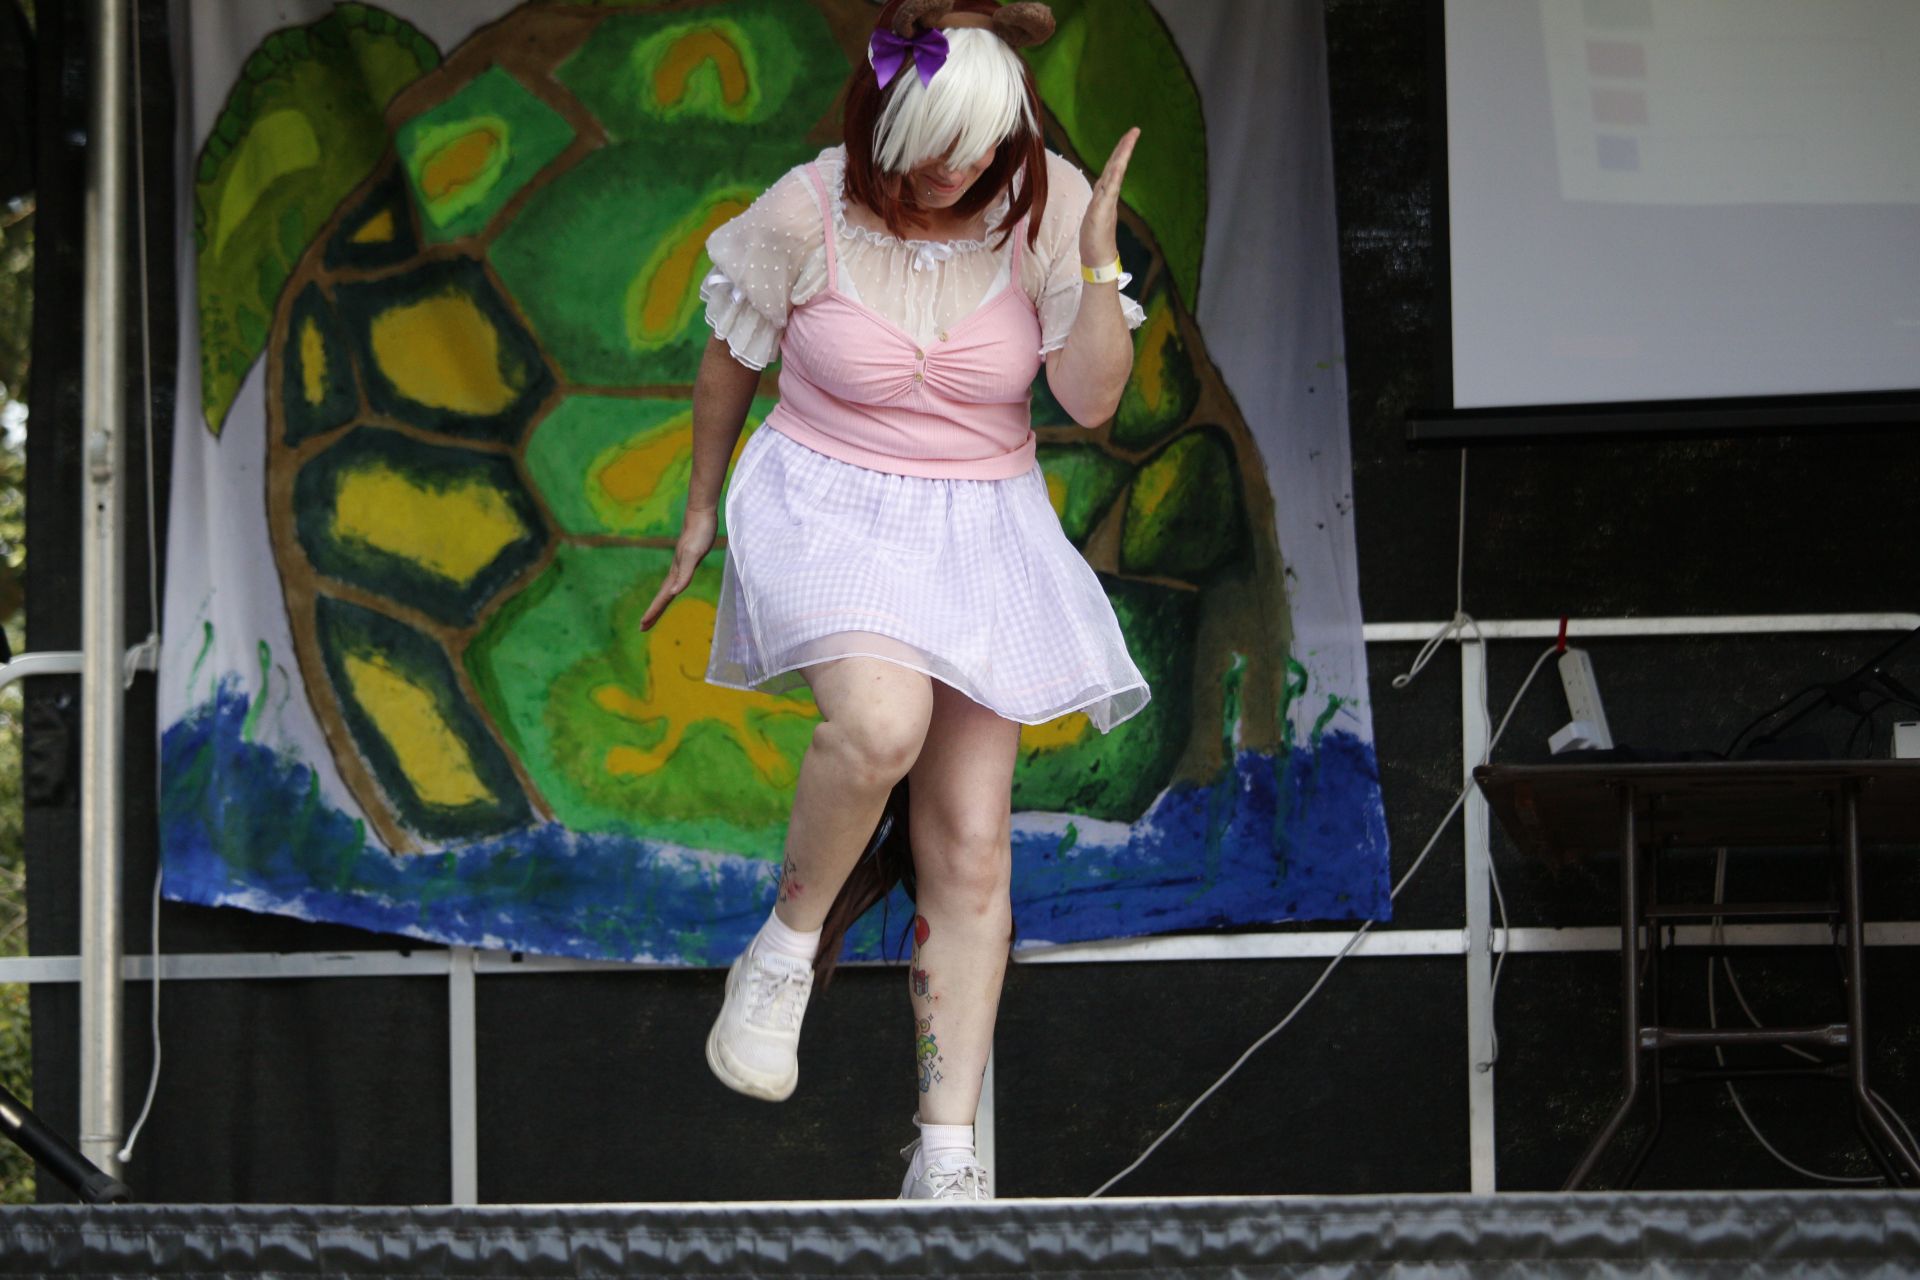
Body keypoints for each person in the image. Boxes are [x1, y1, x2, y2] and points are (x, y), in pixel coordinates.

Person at [640, 0, 1149, 1201]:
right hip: (825, 497)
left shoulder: (1047, 206)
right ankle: (783, 951)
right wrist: (701, 507)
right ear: (886, 119)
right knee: (880, 723)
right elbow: (732, 355)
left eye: (977, 144)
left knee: (969, 842)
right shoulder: (808, 207)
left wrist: (1095, 255)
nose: (953, 169)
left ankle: (947, 1157)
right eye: (930, 144)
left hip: (981, 525)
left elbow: (1091, 400)